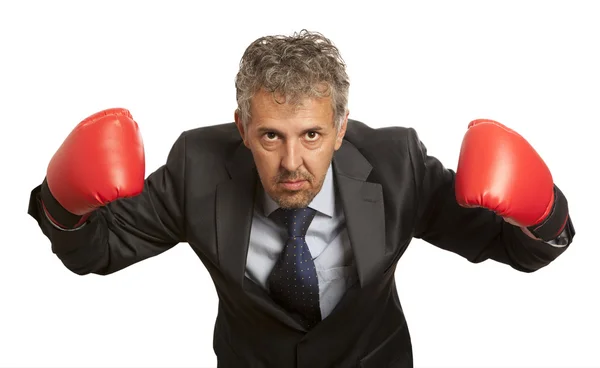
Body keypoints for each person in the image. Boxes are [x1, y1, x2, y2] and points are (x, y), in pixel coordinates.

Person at [27, 30, 575, 367]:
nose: (292, 163)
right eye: (271, 136)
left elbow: (518, 247)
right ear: (242, 127)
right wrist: (64, 200)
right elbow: (95, 252)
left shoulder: (396, 164)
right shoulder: (199, 167)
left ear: (340, 128)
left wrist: (543, 211)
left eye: (311, 135)